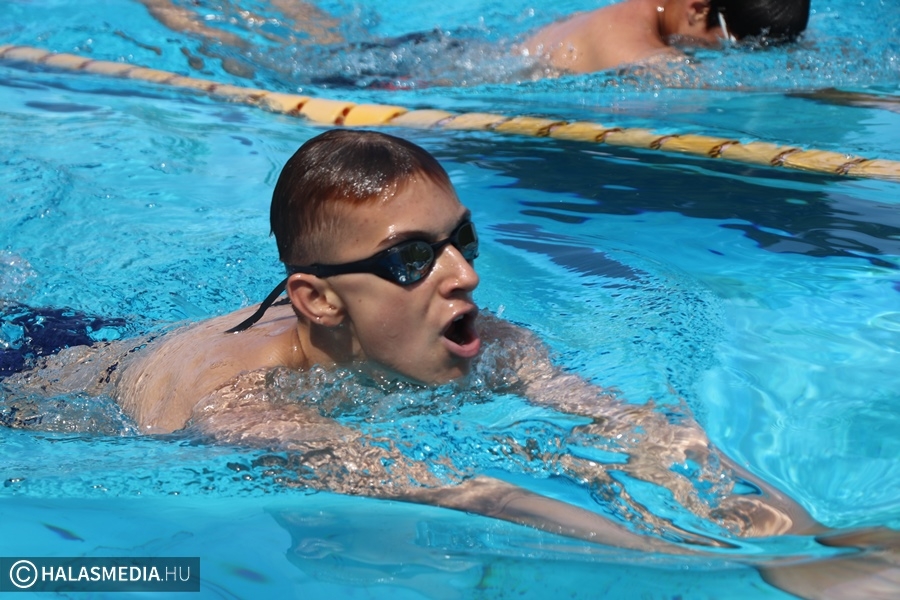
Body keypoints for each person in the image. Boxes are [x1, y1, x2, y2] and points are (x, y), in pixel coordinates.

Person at [4, 130, 898, 597]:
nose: (463, 274)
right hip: (36, 380)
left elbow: (635, 429)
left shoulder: (488, 338)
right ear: (319, 301)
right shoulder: (246, 410)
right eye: (412, 258)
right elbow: (468, 495)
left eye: (460, 240)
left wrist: (808, 535)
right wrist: (729, 569)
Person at [522, 0, 811, 74]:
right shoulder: (626, 43)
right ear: (698, 10)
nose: (727, 53)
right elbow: (693, 94)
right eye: (731, 45)